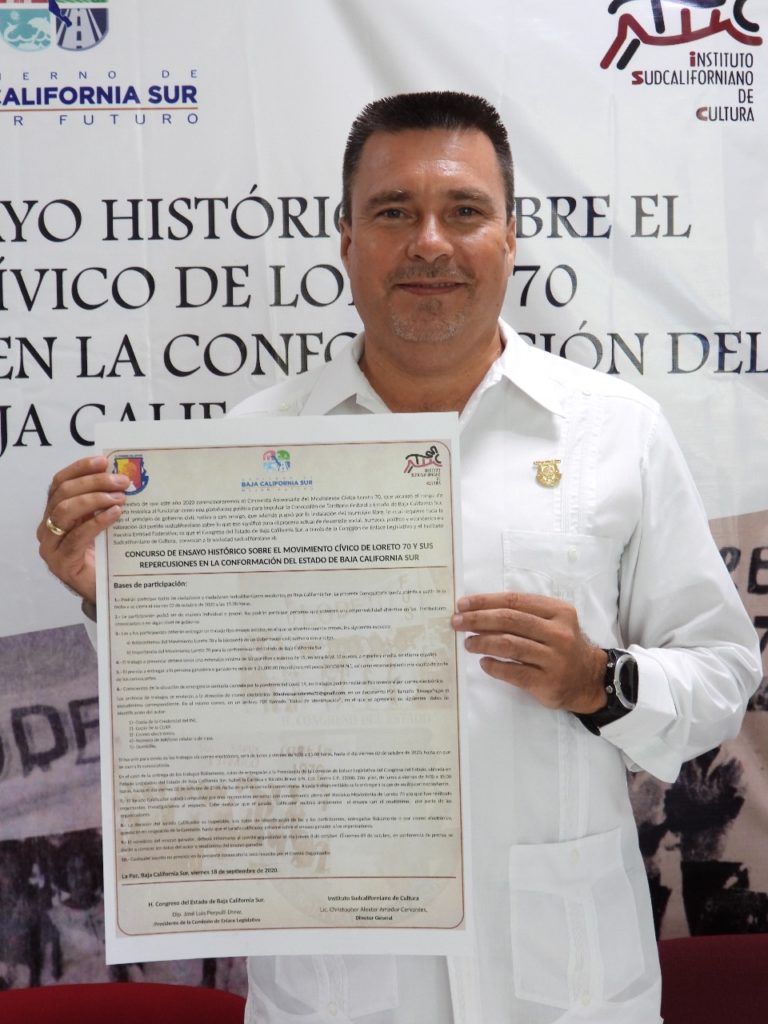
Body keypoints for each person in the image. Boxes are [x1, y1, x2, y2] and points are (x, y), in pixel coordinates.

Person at [38, 91, 761, 1023]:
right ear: (346, 240)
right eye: (392, 212)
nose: (429, 242)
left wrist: (601, 680)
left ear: (511, 237)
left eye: (464, 211)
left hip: (565, 985)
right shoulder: (246, 448)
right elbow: (201, 711)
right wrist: (119, 599)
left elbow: (721, 674)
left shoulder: (614, 433)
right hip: (338, 984)